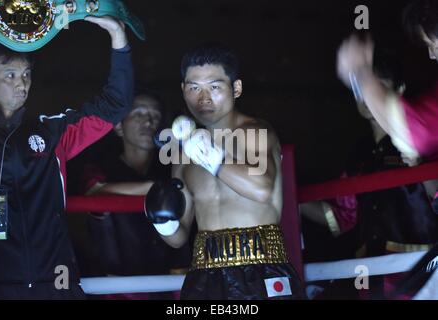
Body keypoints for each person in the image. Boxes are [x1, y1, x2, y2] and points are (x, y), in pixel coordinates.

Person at [0, 16, 133, 299]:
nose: (22, 83)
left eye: (26, 74)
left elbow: (116, 104)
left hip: (56, 279)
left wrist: (117, 35)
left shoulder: (52, 131)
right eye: (10, 75)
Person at [145, 43, 305, 300]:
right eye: (194, 88)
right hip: (204, 276)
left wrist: (208, 156)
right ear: (183, 90)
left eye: (215, 87)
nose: (203, 98)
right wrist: (163, 222)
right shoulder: (184, 154)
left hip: (261, 269)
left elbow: (261, 188)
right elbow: (179, 237)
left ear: (236, 88)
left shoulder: (255, 132)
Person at [301, 57, 438, 299]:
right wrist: (292, 198)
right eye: (359, 88)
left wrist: (420, 165)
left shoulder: (423, 138)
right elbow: (343, 216)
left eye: (375, 86)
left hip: (419, 270)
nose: (365, 96)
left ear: (399, 89)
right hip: (370, 273)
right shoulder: (359, 153)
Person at [82, 90, 192, 299]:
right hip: (117, 288)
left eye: (155, 116)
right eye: (139, 114)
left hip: (168, 283)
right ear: (119, 126)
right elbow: (94, 193)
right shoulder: (101, 167)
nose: (149, 121)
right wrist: (155, 188)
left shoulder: (170, 167)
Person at [336, 0, 438, 164]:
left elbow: (420, 131)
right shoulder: (359, 151)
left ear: (400, 90)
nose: (432, 55)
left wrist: (362, 72)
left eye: (434, 46)